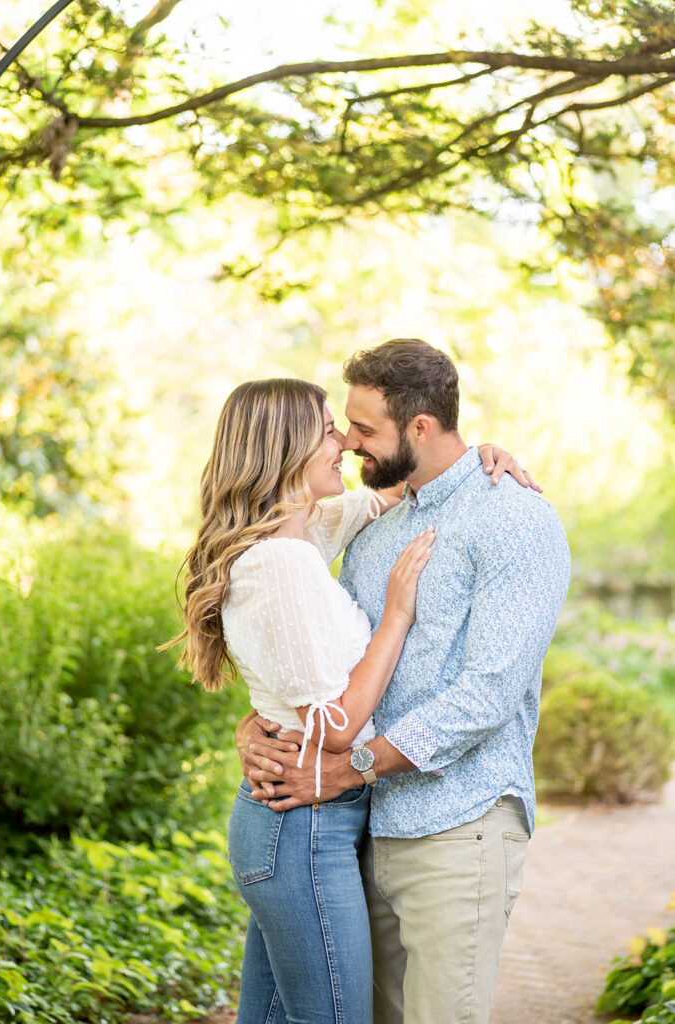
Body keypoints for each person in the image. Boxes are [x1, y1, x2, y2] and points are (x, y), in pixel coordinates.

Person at [164, 374, 535, 1024]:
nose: (344, 442)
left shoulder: (303, 534)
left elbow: (401, 487)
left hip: (303, 824)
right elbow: (334, 728)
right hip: (302, 829)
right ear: (287, 448)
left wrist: (481, 455)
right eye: (329, 429)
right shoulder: (281, 562)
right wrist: (395, 616)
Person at [240, 339, 571, 1024]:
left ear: (420, 427)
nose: (347, 441)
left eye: (363, 429)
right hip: (358, 833)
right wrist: (266, 723)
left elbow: (487, 693)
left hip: (456, 826)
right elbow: (311, 649)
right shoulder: (379, 522)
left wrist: (353, 768)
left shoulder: (513, 518)